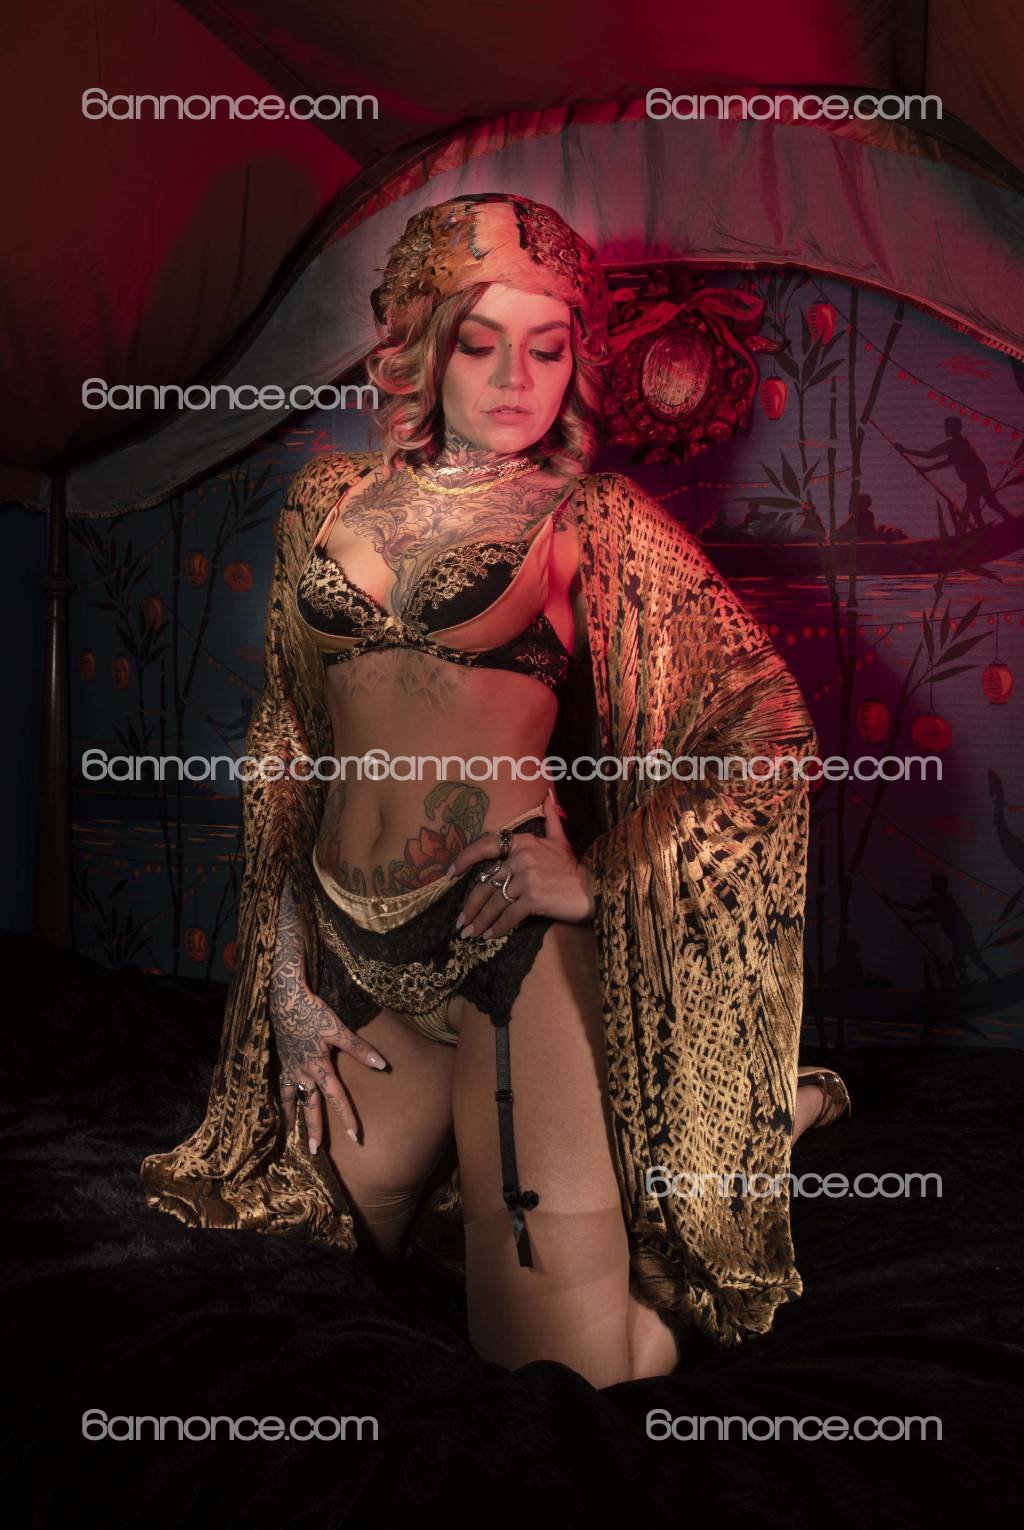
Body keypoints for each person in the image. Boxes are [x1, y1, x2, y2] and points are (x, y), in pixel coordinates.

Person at [141, 192, 848, 1389]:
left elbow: (764, 726)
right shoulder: (324, 502)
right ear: (421, 342)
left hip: (502, 945)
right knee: (289, 1240)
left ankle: (765, 1117)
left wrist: (600, 875)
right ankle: (649, 1126)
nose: (518, 379)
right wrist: (286, 978)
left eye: (548, 346)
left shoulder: (592, 520)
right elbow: (291, 740)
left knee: (569, 1366)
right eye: (481, 343)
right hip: (349, 950)